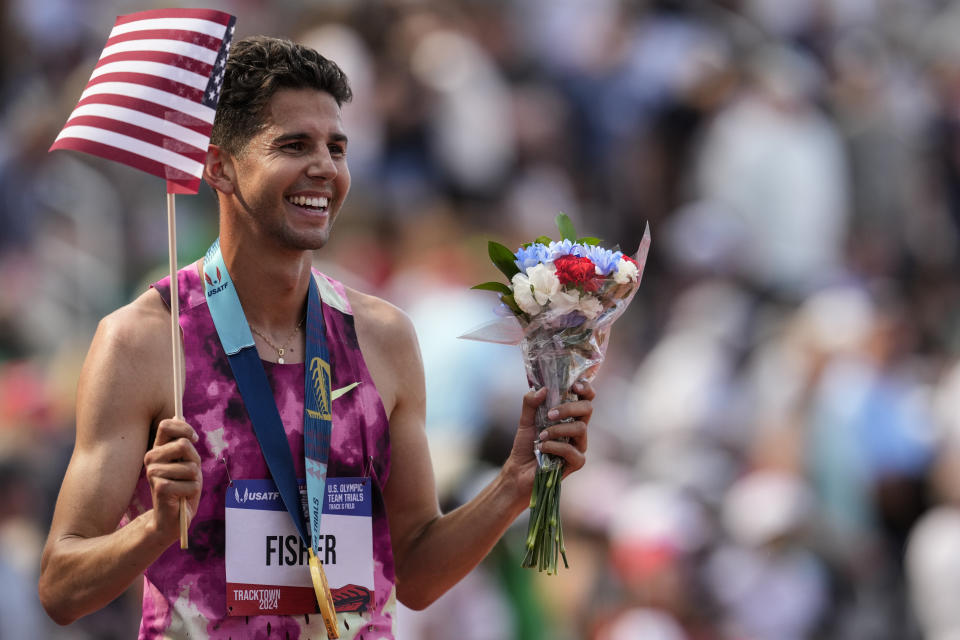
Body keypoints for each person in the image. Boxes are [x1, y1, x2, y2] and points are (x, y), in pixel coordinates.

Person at [37, 36, 593, 639]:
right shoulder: (144, 341)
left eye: (337, 147)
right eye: (294, 145)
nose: (324, 168)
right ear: (219, 165)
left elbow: (418, 574)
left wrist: (514, 483)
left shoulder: (383, 337)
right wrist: (152, 528)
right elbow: (61, 588)